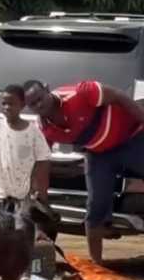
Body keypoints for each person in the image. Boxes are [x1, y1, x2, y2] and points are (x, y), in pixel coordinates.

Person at [25, 79, 144, 263]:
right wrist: (41, 199)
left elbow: (119, 96)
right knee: (95, 204)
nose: (39, 105)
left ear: (47, 89)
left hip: (132, 139)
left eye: (40, 99)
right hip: (98, 154)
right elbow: (42, 165)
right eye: (33, 104)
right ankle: (98, 265)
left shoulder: (81, 93)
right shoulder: (44, 129)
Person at [0, 85, 51, 280]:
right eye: (4, 103)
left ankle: (24, 275)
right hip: (1, 192)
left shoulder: (32, 132)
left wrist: (39, 189)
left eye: (12, 103)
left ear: (22, 105)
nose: (7, 107)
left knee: (23, 235)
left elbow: (43, 159)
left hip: (24, 194)